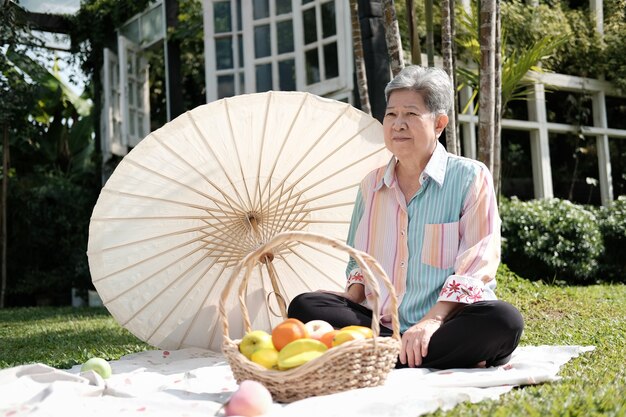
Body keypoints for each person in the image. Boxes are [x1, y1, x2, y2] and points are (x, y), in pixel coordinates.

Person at [288, 65, 524, 369]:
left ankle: (380, 353)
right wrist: (348, 297)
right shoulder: (370, 185)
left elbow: (476, 265)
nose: (398, 124)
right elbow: (359, 262)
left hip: (446, 321)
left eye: (411, 115)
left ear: (439, 123)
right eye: (391, 115)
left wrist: (431, 321)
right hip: (381, 323)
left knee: (504, 321)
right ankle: (405, 352)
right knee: (306, 306)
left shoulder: (470, 177)